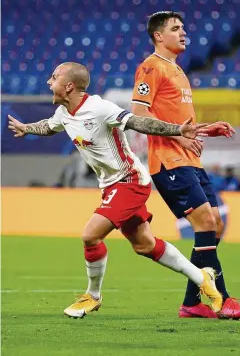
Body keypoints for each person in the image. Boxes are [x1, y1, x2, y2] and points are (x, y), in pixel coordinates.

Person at [8, 62, 223, 319]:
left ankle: (93, 296)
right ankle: (202, 277)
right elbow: (49, 126)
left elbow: (137, 122)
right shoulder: (65, 112)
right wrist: (27, 128)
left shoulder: (99, 108)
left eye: (53, 77)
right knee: (145, 245)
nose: (48, 82)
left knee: (90, 235)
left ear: (69, 85)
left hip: (129, 181)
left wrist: (177, 130)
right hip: (111, 185)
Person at [132, 11, 239, 319]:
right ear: (158, 36)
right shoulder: (151, 67)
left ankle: (192, 303)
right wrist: (179, 136)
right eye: (175, 28)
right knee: (205, 224)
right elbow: (139, 114)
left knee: (214, 226)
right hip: (169, 162)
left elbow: (180, 125)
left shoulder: (178, 72)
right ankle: (223, 299)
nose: (183, 33)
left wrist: (205, 128)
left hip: (191, 160)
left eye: (183, 28)